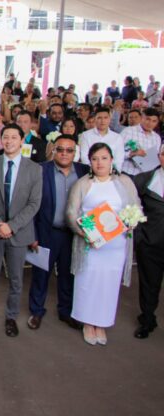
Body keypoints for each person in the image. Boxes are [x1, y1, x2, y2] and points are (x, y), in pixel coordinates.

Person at [66, 143, 139, 345]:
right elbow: (73, 213)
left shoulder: (124, 182)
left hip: (116, 245)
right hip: (91, 244)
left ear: (111, 160)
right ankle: (88, 322)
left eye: (104, 158)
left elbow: (135, 207)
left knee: (109, 285)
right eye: (95, 158)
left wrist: (131, 221)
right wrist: (86, 232)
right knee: (88, 282)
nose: (100, 162)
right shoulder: (83, 184)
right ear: (90, 161)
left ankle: (102, 322)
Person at [0, 124, 43, 337]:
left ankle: (11, 317)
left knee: (16, 278)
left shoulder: (34, 169)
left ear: (22, 141)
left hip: (19, 232)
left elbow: (34, 204)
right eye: (6, 137)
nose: (9, 141)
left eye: (14, 137)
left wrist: (11, 226)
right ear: (1, 139)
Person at [27, 135, 89, 331]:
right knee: (41, 274)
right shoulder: (40, 170)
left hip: (72, 234)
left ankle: (66, 311)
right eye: (60, 149)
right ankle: (36, 311)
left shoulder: (84, 172)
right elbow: (31, 205)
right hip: (46, 232)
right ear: (53, 150)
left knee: (68, 274)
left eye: (69, 150)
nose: (64, 153)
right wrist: (32, 234)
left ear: (75, 152)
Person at [132, 144, 164, 339]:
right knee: (149, 285)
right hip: (150, 244)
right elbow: (132, 207)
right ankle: (147, 319)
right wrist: (139, 236)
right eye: (163, 154)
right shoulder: (145, 179)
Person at [79, 107, 124, 172]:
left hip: (111, 174)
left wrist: (110, 173)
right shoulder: (86, 135)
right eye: (99, 118)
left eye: (105, 118)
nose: (102, 121)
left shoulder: (117, 137)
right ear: (95, 119)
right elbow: (84, 157)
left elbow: (118, 160)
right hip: (90, 173)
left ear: (110, 119)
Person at [121, 108, 161, 176]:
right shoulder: (128, 131)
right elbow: (116, 153)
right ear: (142, 118)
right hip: (127, 173)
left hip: (146, 176)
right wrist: (131, 154)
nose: (150, 123)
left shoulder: (157, 138)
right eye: (147, 119)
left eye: (154, 121)